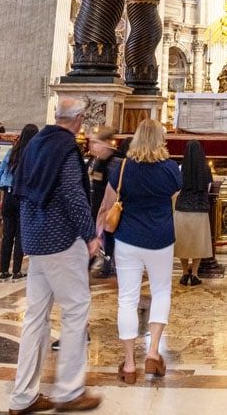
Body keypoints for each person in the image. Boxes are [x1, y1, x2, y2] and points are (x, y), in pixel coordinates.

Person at [8, 97, 102, 414]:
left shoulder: (36, 143)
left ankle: (23, 396)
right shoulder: (66, 148)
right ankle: (69, 391)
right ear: (77, 119)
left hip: (35, 240)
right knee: (76, 311)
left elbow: (20, 189)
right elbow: (74, 195)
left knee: (35, 317)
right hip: (61, 240)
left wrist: (28, 232)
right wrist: (90, 235)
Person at [97, 119, 181, 384]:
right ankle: (154, 353)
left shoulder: (122, 168)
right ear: (160, 140)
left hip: (128, 240)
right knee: (161, 292)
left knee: (127, 299)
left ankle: (130, 363)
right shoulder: (170, 169)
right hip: (160, 239)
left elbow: (108, 203)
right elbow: (174, 197)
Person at [0, 124, 39, 281]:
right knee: (20, 236)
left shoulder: (13, 152)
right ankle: (16, 270)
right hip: (23, 198)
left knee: (7, 235)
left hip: (9, 197)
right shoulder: (34, 154)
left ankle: (4, 271)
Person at [174, 139, 213, 286]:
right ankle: (195, 274)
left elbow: (177, 188)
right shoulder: (206, 170)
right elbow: (208, 189)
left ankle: (184, 273)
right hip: (200, 210)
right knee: (198, 243)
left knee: (183, 243)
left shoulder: (180, 168)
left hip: (182, 209)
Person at [87, 126, 121, 278]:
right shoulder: (97, 161)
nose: (92, 146)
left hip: (108, 207)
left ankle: (106, 266)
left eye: (96, 142)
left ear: (107, 143)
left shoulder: (114, 162)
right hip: (96, 205)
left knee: (107, 236)